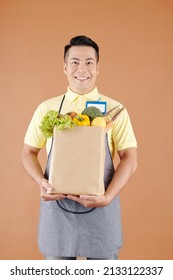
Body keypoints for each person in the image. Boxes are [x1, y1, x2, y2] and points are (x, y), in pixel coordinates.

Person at [21, 35, 137, 260]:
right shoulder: (47, 108)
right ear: (65, 67)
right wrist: (40, 182)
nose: (81, 68)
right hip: (57, 209)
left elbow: (130, 158)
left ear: (98, 67)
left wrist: (108, 196)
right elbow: (28, 152)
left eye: (89, 62)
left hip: (101, 206)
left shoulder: (115, 110)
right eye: (74, 61)